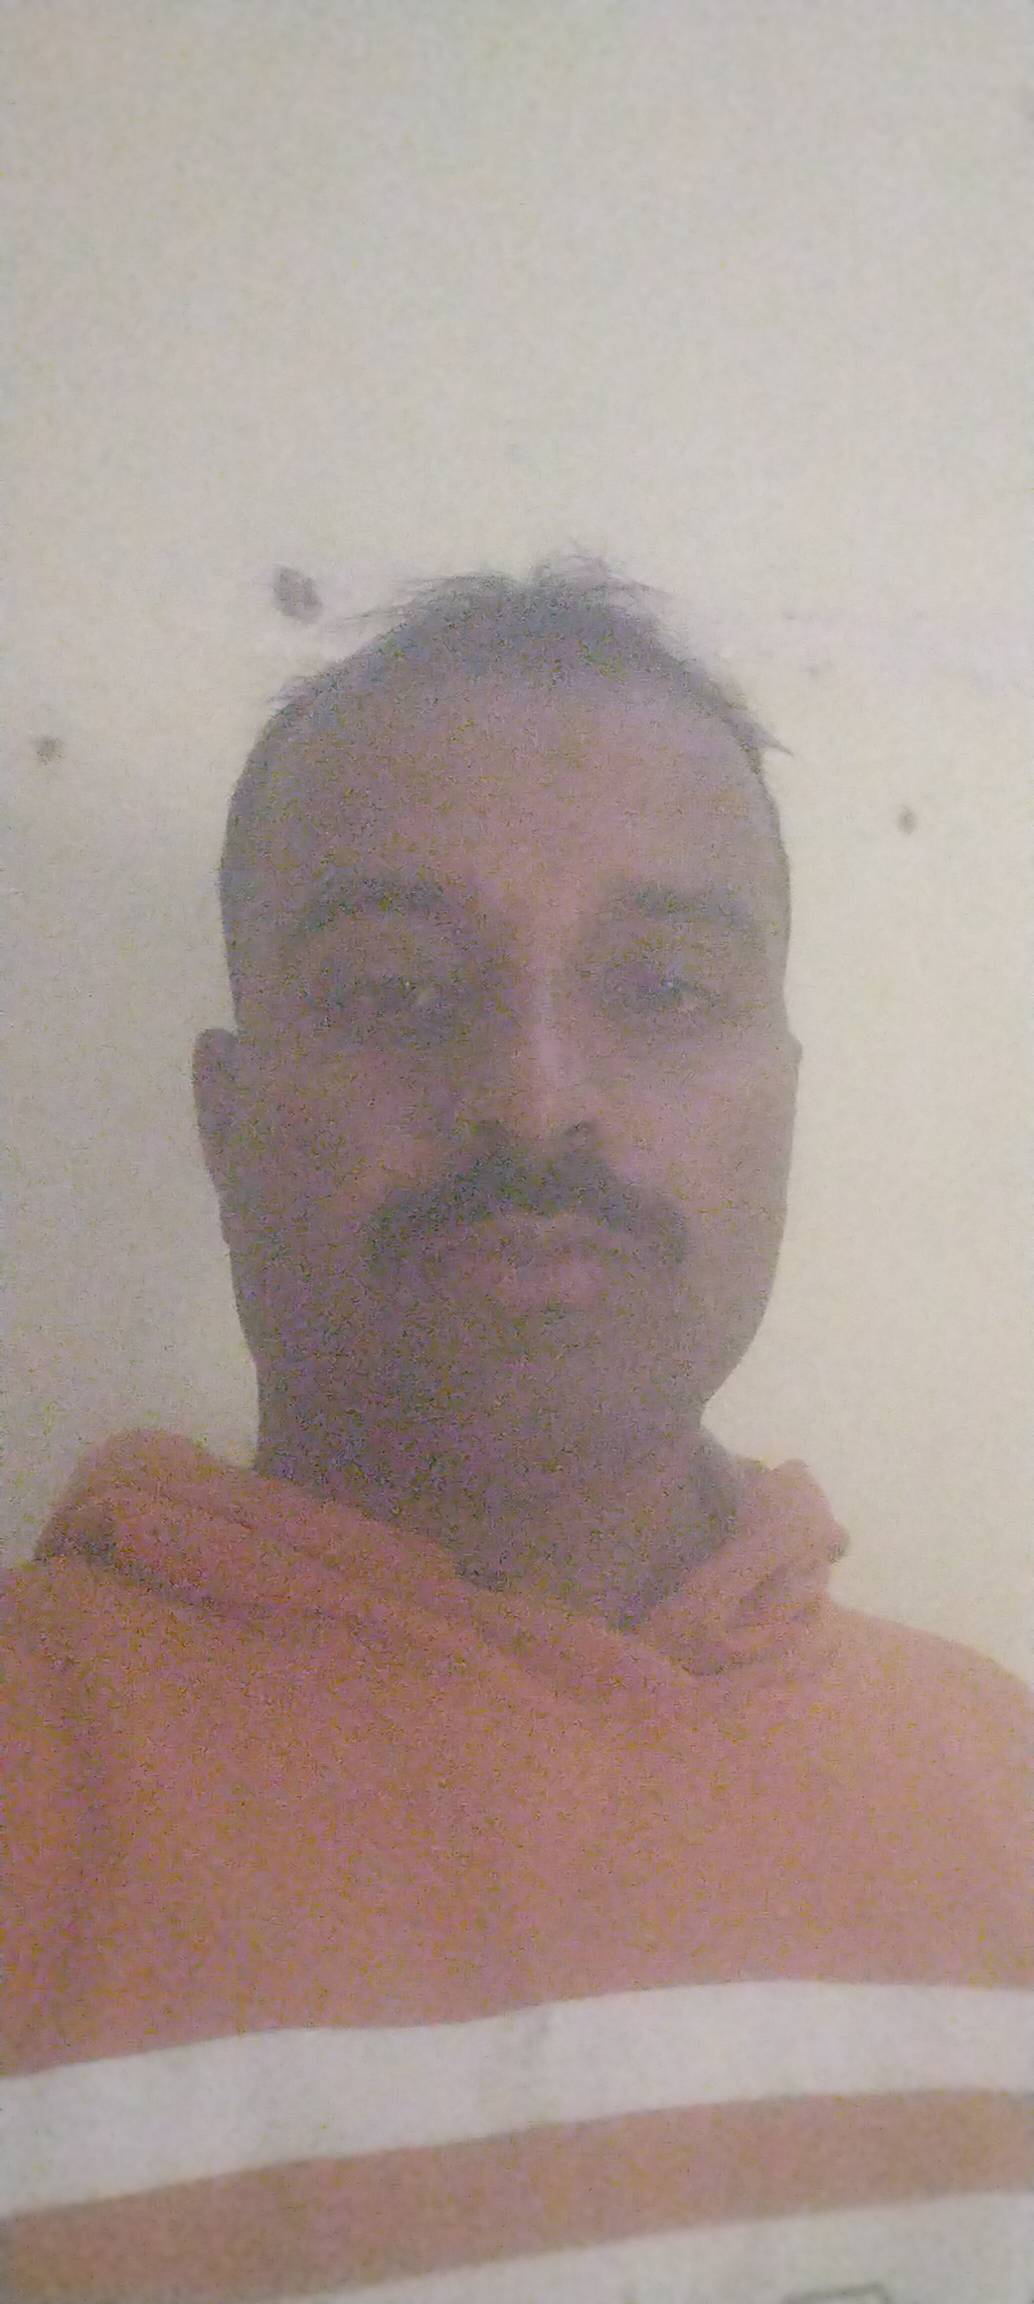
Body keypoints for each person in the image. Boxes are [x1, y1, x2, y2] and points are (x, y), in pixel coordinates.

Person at [3, 565, 1030, 2304]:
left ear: (784, 1100)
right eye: (397, 990)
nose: (536, 1098)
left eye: (665, 986)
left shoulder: (999, 1788)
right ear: (224, 1121)